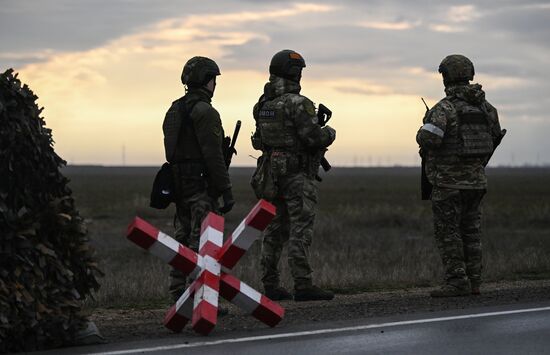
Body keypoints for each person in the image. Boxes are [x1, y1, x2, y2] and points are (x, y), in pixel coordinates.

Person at [416, 54, 506, 297]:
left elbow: (430, 139)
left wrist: (420, 131)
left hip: (448, 183)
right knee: (471, 231)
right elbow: (494, 137)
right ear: (469, 74)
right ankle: (474, 282)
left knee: (449, 233)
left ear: (445, 76)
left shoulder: (444, 108)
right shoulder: (488, 109)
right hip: (476, 182)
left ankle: (457, 281)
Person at [251, 49, 336, 301]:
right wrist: (329, 131)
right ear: (294, 73)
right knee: (301, 227)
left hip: (271, 174)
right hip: (297, 174)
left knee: (275, 228)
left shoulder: (262, 105)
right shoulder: (299, 104)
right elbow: (314, 138)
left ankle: (270, 284)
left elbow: (258, 141)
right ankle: (303, 284)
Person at [162, 56, 235, 301]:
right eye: (213, 79)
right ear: (206, 80)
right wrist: (226, 189)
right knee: (201, 243)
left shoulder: (174, 109)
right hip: (201, 187)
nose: (215, 84)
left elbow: (171, 151)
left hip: (179, 184)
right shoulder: (206, 112)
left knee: (181, 241)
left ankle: (177, 293)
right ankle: (198, 298)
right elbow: (213, 155)